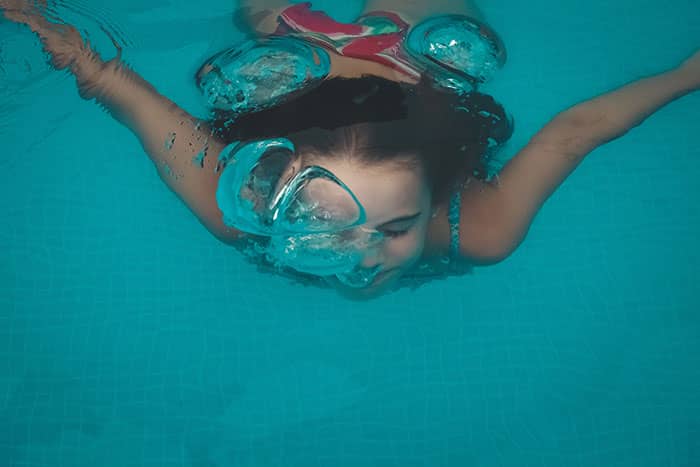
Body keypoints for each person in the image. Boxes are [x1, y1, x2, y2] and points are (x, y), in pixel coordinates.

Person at [2, 0, 698, 300]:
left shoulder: (477, 222)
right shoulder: (249, 203)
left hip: (350, 55)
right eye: (331, 221)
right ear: (278, 186)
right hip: (376, 59)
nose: (365, 254)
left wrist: (686, 74)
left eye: (397, 226)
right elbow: (574, 129)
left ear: (437, 194)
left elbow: (116, 87)